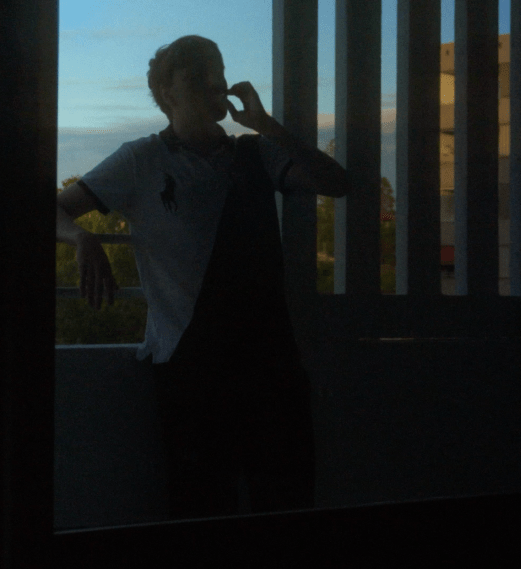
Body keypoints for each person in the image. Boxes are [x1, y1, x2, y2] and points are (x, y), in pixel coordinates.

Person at [56, 35, 348, 518]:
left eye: (219, 70)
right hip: (191, 366)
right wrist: (82, 239)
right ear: (166, 93)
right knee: (201, 508)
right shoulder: (142, 159)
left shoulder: (257, 152)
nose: (215, 81)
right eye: (197, 75)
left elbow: (336, 183)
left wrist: (266, 124)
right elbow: (55, 209)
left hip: (270, 364)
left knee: (288, 503)